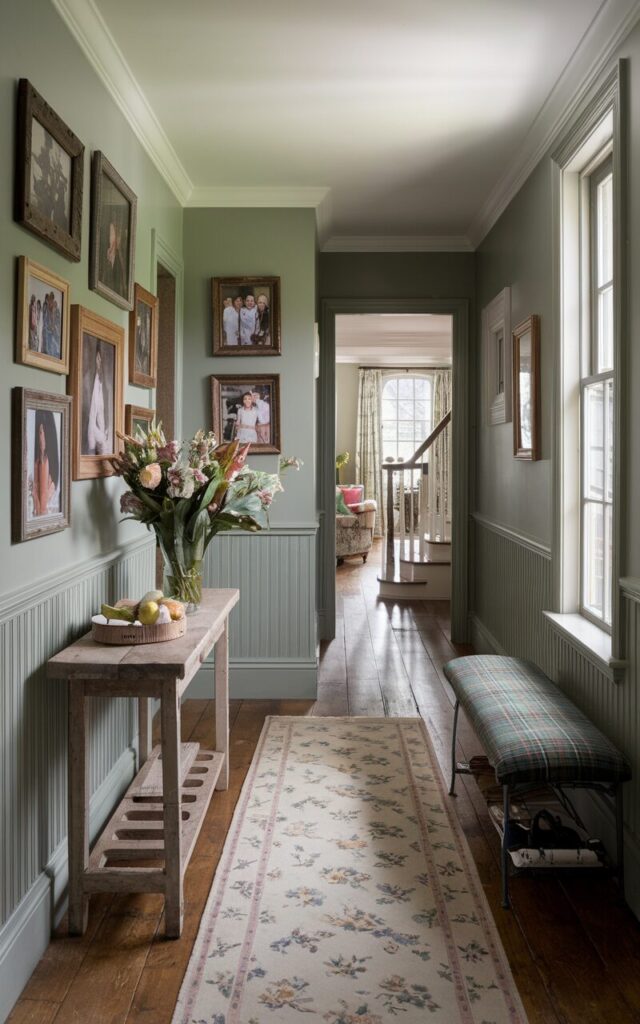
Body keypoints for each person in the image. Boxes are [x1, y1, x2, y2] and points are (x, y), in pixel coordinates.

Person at [30, 410, 59, 516]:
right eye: (39, 432)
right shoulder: (36, 462)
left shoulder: (49, 468)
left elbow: (42, 505)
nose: (40, 436)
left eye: (42, 432)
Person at [86, 340, 110, 454]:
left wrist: (104, 433)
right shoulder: (88, 380)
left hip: (101, 431)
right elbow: (90, 415)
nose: (99, 362)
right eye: (97, 358)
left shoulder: (104, 384)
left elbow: (103, 412)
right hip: (91, 433)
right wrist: (100, 436)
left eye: (101, 360)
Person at [103, 220, 125, 297]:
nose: (110, 238)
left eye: (112, 234)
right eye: (109, 234)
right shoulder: (104, 258)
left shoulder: (119, 262)